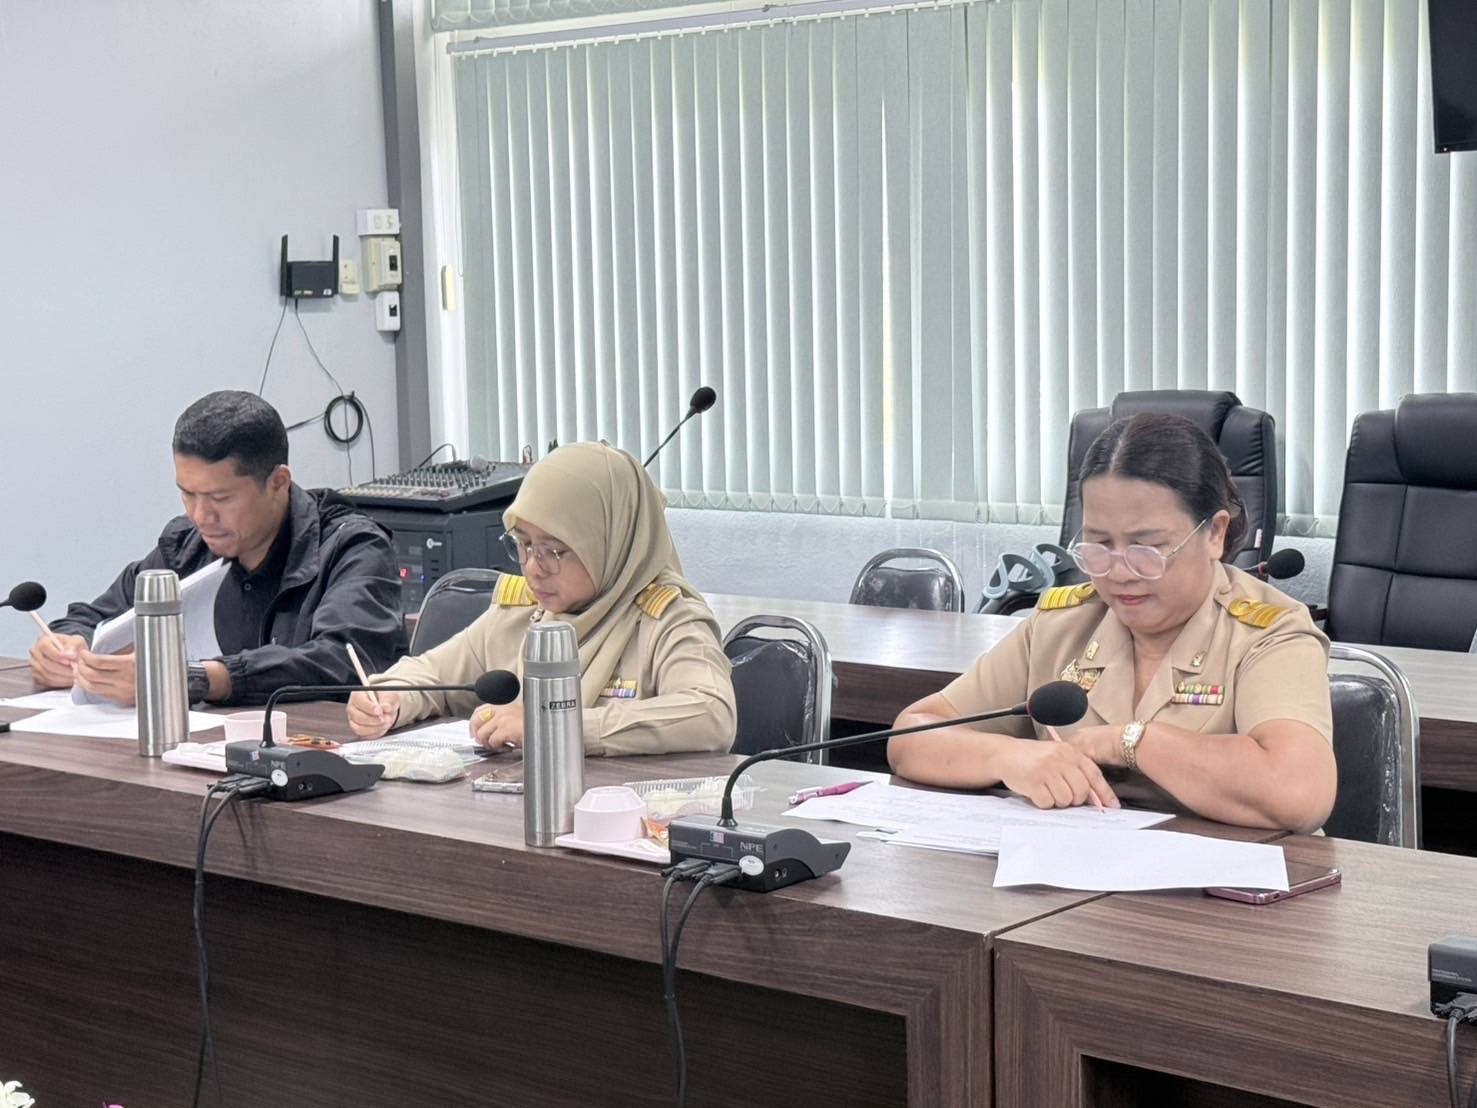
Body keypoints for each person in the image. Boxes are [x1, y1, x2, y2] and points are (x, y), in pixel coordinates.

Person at [887, 413, 1336, 834]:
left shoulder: (1268, 634)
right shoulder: (1064, 625)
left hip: (1226, 885)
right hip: (1071, 874)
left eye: (1147, 548)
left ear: (1214, 533)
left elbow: (1300, 791)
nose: (1119, 572)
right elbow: (913, 734)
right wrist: (1008, 756)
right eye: (1099, 546)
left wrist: (1131, 742)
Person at [346, 441, 736, 757]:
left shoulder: (668, 621)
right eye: (524, 545)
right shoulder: (524, 614)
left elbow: (711, 714)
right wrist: (389, 698)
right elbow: (431, 675)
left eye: (554, 550)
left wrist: (556, 726)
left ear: (610, 544)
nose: (533, 567)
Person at [30, 391, 405, 706]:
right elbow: (99, 615)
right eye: (187, 494)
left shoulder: (352, 547)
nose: (200, 516)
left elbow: (343, 661)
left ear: (278, 482)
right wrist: (66, 645)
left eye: (220, 498)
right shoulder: (186, 546)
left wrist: (194, 679)